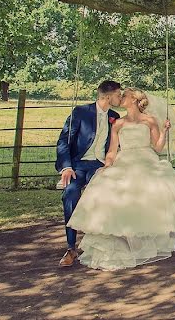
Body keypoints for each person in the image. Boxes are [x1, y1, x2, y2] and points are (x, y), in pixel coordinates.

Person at [66, 88, 175, 270]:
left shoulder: (149, 120)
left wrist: (163, 131)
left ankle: (144, 239)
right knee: (115, 189)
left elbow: (158, 147)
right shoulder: (118, 123)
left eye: (125, 95)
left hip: (146, 158)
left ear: (134, 100)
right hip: (125, 159)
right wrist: (107, 166)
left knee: (148, 189)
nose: (121, 97)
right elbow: (113, 150)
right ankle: (122, 238)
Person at [54, 80, 123, 268]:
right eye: (118, 94)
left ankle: (98, 245)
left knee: (102, 196)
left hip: (99, 165)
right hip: (76, 165)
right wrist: (66, 167)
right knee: (70, 194)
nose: (120, 97)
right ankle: (71, 248)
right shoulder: (81, 112)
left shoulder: (115, 117)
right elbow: (63, 141)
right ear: (108, 96)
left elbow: (119, 145)